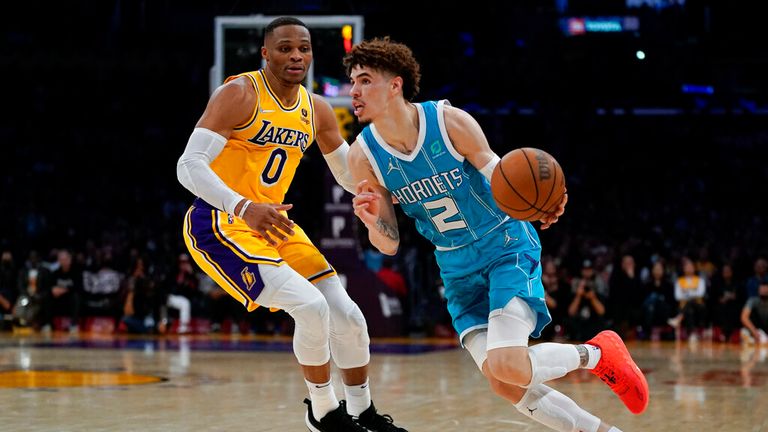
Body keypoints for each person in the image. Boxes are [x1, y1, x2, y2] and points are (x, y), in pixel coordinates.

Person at [344, 37, 648, 432]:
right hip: (454, 267)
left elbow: (500, 174)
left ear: (395, 85)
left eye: (365, 80)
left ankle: (596, 353)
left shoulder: (449, 122)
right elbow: (389, 242)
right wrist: (372, 222)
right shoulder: (362, 155)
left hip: (504, 247)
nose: (354, 91)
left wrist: (540, 204)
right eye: (352, 81)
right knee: (504, 382)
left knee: (508, 364)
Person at [175, 17, 405, 432]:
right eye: (285, 48)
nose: (296, 55)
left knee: (348, 316)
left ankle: (363, 411)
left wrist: (387, 189)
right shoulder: (239, 93)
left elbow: (348, 174)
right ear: (266, 53)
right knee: (311, 307)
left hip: (277, 224)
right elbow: (188, 166)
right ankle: (322, 412)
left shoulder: (317, 109)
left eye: (304, 48)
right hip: (220, 221)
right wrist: (242, 206)